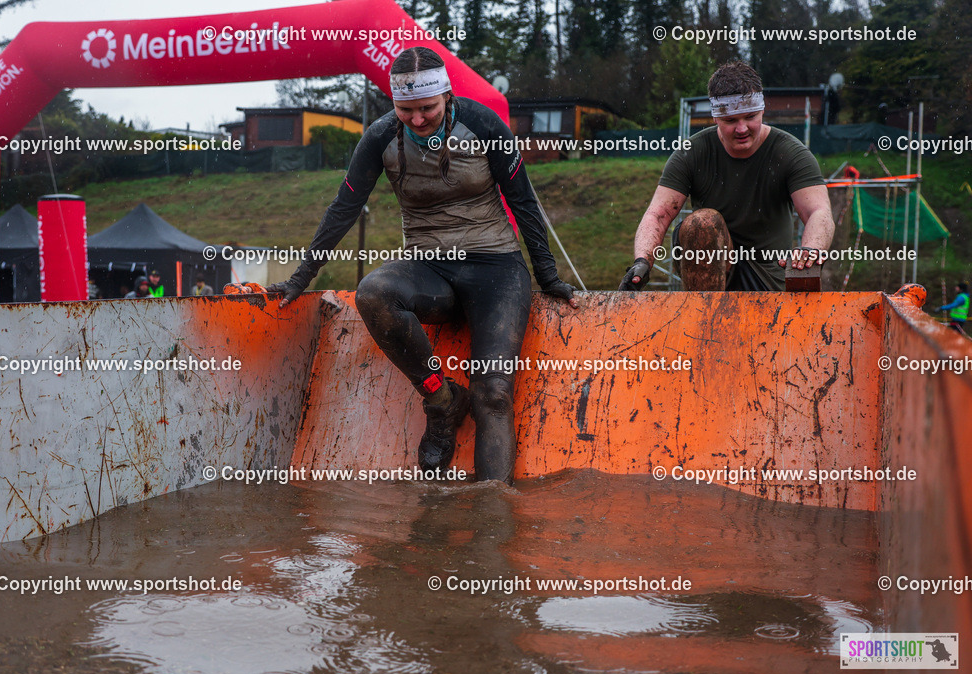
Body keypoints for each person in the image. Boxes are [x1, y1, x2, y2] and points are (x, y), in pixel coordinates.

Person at [268, 46, 576, 484]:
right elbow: (344, 208)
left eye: (427, 108)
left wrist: (548, 276)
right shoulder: (379, 137)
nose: (416, 119)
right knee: (373, 293)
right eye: (405, 109)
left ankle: (491, 517)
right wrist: (301, 277)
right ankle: (443, 402)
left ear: (447, 95)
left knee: (493, 392)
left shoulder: (484, 125)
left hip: (496, 269)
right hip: (430, 267)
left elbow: (524, 203)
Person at [618, 61, 835, 292]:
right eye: (731, 120)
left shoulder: (791, 153)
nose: (742, 129)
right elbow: (658, 214)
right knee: (701, 224)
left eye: (750, 117)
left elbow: (818, 212)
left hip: (770, 279)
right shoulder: (691, 153)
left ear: (763, 110)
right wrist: (643, 261)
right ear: (715, 117)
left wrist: (810, 250)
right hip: (711, 272)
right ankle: (704, 316)